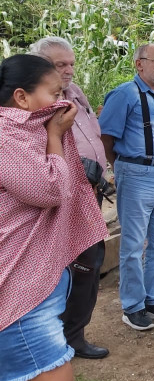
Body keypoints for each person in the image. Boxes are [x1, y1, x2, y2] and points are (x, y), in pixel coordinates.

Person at [0, 54, 107, 381]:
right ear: (22, 98)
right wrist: (52, 138)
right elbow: (49, 191)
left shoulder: (19, 134)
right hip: (20, 295)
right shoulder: (7, 137)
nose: (66, 105)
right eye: (55, 94)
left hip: (29, 284)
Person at [30, 36, 111, 359]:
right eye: (59, 65)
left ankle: (75, 334)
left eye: (71, 64)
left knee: (91, 260)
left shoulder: (75, 93)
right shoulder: (34, 103)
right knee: (71, 266)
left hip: (89, 192)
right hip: (59, 196)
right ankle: (59, 337)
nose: (68, 71)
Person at [99, 43, 154, 331]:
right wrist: (121, 168)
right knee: (133, 243)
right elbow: (106, 138)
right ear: (139, 64)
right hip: (137, 174)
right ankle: (132, 306)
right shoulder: (125, 94)